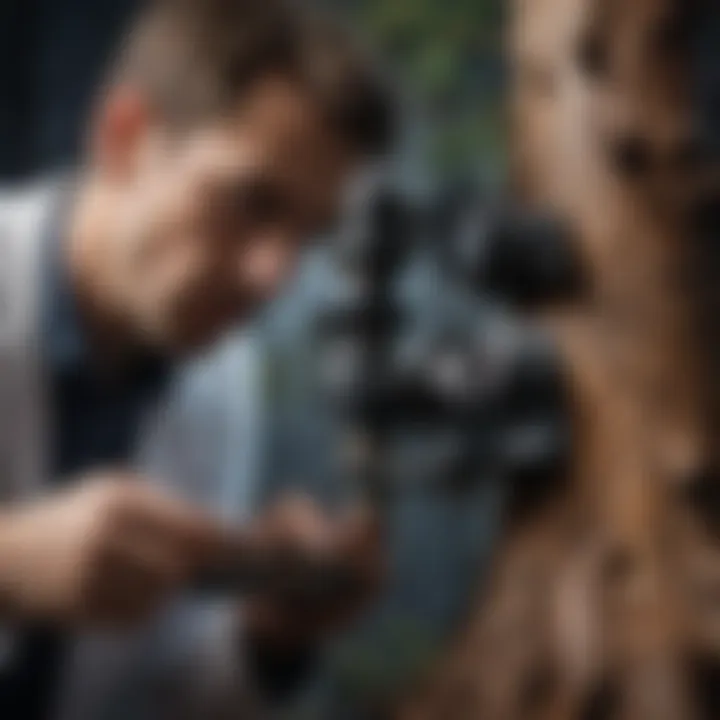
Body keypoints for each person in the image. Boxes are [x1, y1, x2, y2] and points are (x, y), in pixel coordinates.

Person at [0, 0, 395, 717]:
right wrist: (11, 567)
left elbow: (170, 689)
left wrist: (269, 634)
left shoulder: (221, 373)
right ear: (123, 136)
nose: (274, 278)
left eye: (309, 235)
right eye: (250, 202)